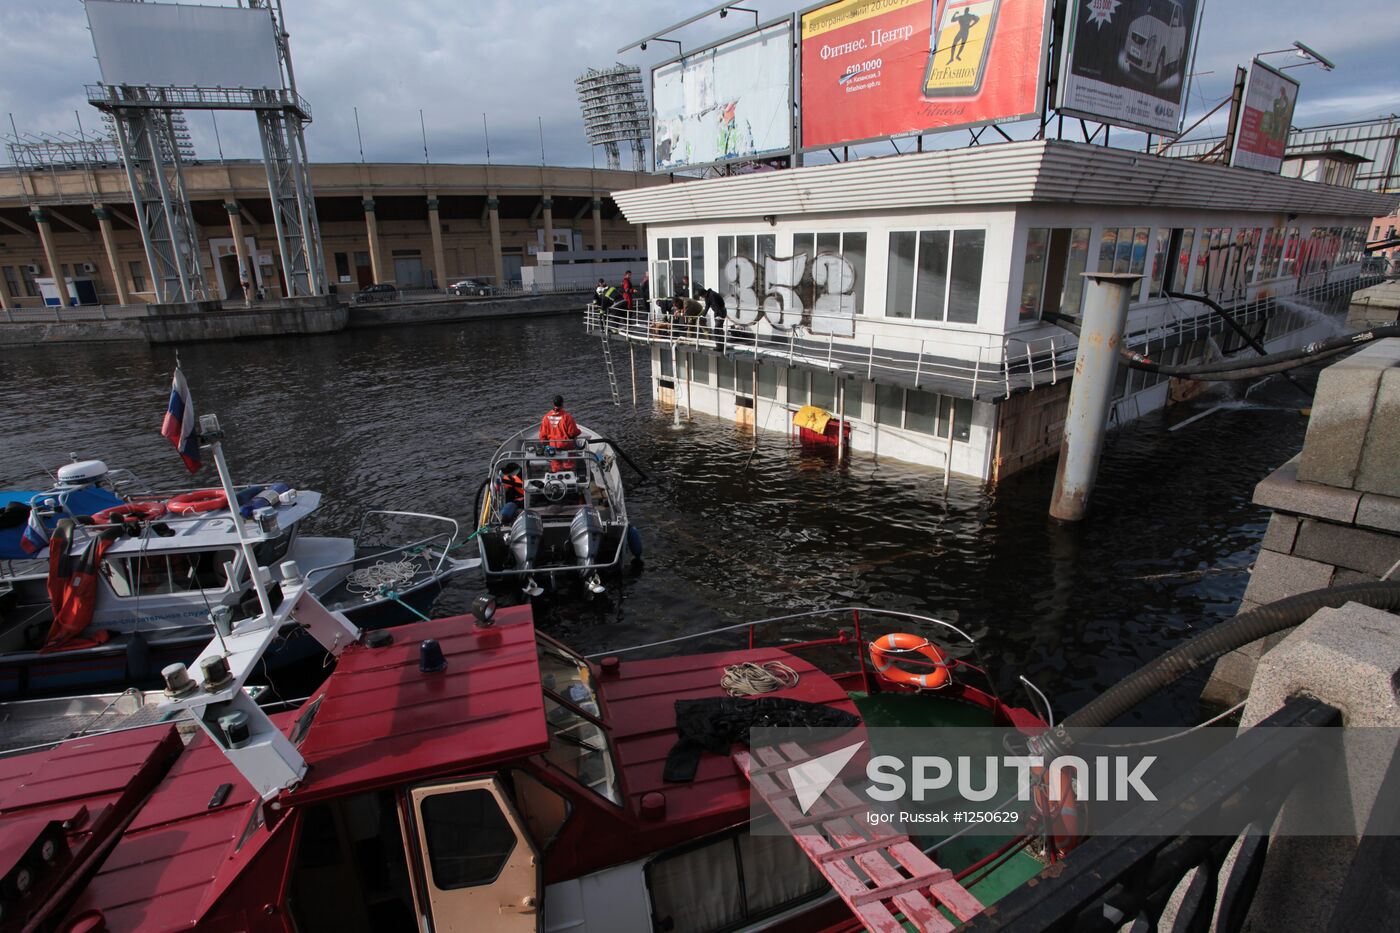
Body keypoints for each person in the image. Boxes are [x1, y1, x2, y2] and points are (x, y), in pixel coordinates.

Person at [540, 395, 581, 471]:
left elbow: (542, 436)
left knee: (556, 468)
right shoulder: (567, 417)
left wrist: (545, 446)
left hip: (553, 448)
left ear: (553, 404)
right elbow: (572, 433)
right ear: (562, 404)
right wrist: (579, 431)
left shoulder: (546, 417)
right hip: (566, 447)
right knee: (569, 467)